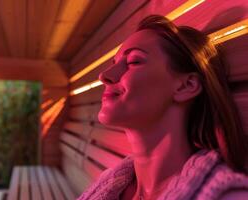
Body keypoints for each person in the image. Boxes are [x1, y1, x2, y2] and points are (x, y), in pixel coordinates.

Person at [77, 15, 248, 200]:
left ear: (186, 86)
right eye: (115, 63)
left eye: (134, 61)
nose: (104, 75)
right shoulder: (112, 185)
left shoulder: (228, 195)